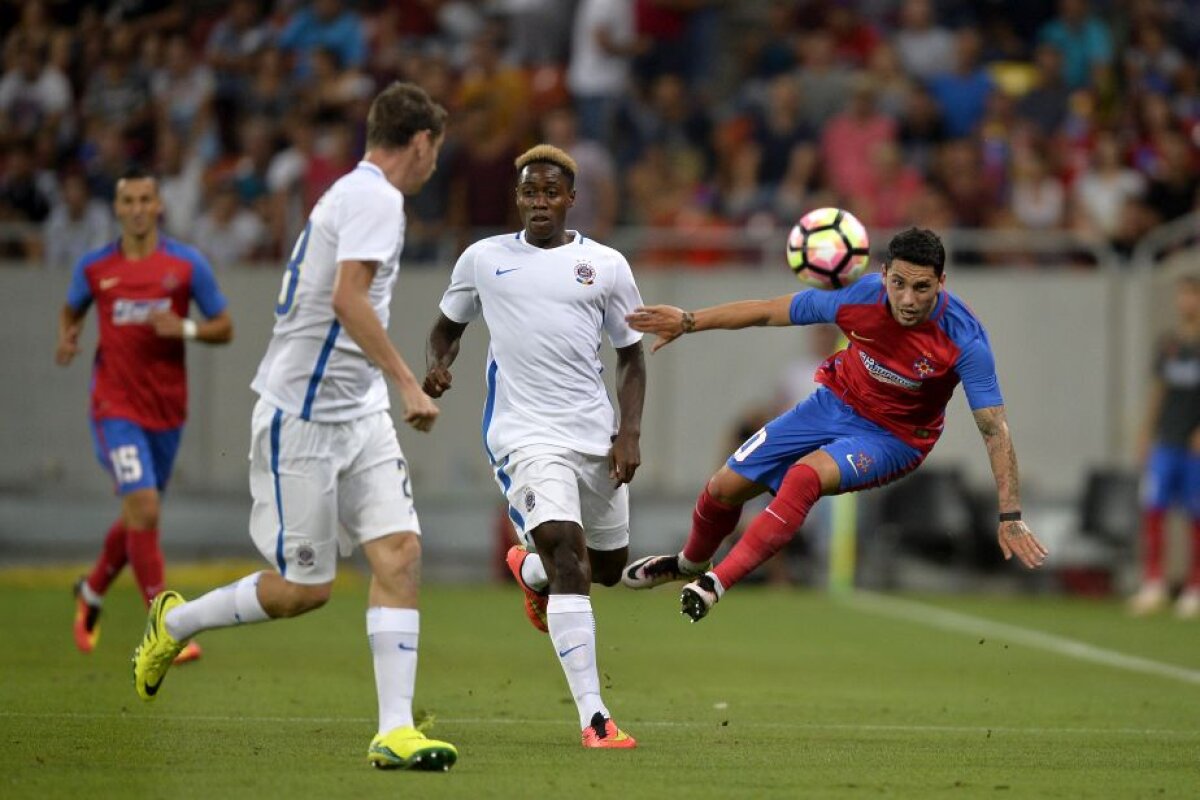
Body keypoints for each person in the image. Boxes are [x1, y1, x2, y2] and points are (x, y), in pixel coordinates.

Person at [130, 82, 458, 772]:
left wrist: (381, 387)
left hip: (357, 410)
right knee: (304, 590)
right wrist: (407, 381)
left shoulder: (354, 193)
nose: (435, 166)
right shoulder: (375, 198)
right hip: (303, 418)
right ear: (422, 142)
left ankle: (394, 730)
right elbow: (347, 298)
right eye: (435, 151)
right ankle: (176, 621)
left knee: (399, 554)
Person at [621, 227, 1048, 621]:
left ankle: (716, 583)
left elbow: (994, 428)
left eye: (921, 287)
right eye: (898, 283)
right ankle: (689, 564)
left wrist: (1010, 513)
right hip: (833, 403)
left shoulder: (965, 339)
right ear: (883, 275)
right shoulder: (856, 300)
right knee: (722, 488)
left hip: (894, 438)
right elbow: (769, 311)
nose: (908, 299)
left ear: (941, 283)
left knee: (805, 477)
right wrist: (689, 320)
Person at [424, 144, 646, 749]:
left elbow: (630, 357)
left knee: (604, 569)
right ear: (517, 198)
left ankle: (531, 573)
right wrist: (439, 365)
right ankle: (594, 718)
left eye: (551, 193)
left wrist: (628, 433)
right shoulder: (483, 259)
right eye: (529, 193)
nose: (539, 202)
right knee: (569, 554)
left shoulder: (606, 265)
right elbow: (447, 327)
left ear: (571, 199)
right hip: (523, 435)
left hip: (593, 436)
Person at [57, 167, 233, 664]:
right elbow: (72, 308)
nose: (136, 208)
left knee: (138, 512)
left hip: (167, 412)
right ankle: (165, 624)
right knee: (147, 510)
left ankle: (91, 592)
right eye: (127, 200)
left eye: (145, 200)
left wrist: (186, 329)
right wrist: (67, 335)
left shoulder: (185, 265)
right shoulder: (95, 268)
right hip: (113, 408)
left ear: (158, 206)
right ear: (117, 209)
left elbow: (224, 326)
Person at [1128, 274, 1200, 618]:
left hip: (1194, 447)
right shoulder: (1169, 343)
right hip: (1167, 442)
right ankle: (1153, 583)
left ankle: (1194, 587)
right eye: (1182, 296)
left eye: (1191, 296)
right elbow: (1159, 389)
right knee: (1153, 510)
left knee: (1195, 516)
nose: (1185, 303)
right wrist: (1146, 432)